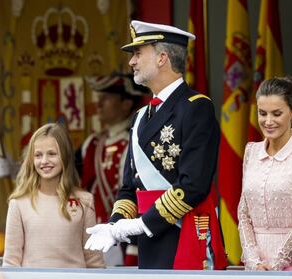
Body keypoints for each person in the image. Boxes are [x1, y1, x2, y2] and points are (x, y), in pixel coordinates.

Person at [85, 20, 227, 270]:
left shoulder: (196, 107)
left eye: (138, 53)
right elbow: (130, 187)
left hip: (185, 237)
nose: (132, 62)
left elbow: (192, 185)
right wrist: (115, 224)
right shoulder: (140, 117)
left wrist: (140, 225)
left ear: (162, 58)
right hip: (151, 245)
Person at [238, 76, 292, 275]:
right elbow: (243, 213)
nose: (268, 121)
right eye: (262, 113)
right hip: (255, 267)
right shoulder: (251, 151)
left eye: (276, 114)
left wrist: (276, 266)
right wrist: (253, 260)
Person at [2, 123, 104, 268]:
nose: (44, 161)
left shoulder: (85, 200)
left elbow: (94, 261)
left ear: (65, 156)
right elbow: (11, 262)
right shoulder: (18, 203)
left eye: (52, 154)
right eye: (38, 155)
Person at [78, 73, 148, 266]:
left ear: (126, 104)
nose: (98, 104)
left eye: (106, 98)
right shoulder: (91, 143)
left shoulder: (133, 142)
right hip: (93, 234)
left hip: (121, 236)